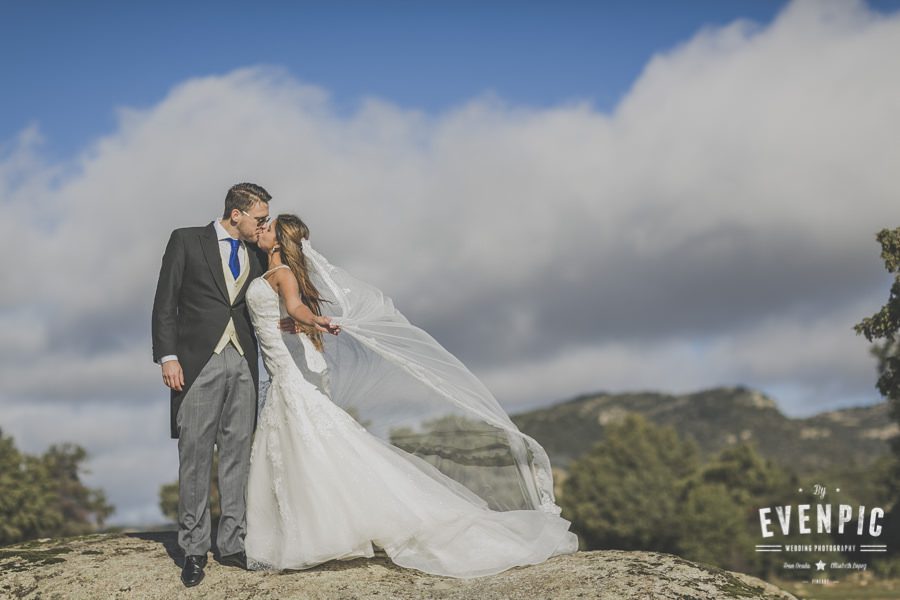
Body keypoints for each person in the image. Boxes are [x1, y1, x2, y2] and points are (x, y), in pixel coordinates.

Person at [243, 214, 579, 578]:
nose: (262, 228)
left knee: (312, 443)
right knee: (303, 446)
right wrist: (293, 322)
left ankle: (328, 532)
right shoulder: (270, 273)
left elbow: (295, 307)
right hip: (283, 368)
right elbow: (286, 313)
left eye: (268, 226)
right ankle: (308, 530)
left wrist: (311, 320)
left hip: (291, 373)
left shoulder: (284, 275)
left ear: (278, 242)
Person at [152, 183, 297, 588]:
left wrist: (287, 322)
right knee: (195, 457)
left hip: (244, 363)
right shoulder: (185, 240)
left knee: (238, 454)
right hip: (197, 363)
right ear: (236, 214)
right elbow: (166, 303)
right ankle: (194, 549)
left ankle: (232, 543)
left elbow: (259, 302)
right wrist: (168, 357)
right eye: (259, 218)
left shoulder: (256, 252)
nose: (263, 224)